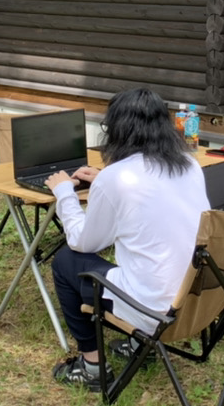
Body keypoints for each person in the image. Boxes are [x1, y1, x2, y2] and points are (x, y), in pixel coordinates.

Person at [46, 88, 210, 390]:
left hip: (152, 312)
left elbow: (84, 242)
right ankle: (138, 348)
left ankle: (92, 366)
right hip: (197, 302)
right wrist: (107, 180)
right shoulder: (191, 166)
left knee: (67, 261)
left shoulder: (116, 178)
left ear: (117, 130)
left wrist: (64, 193)